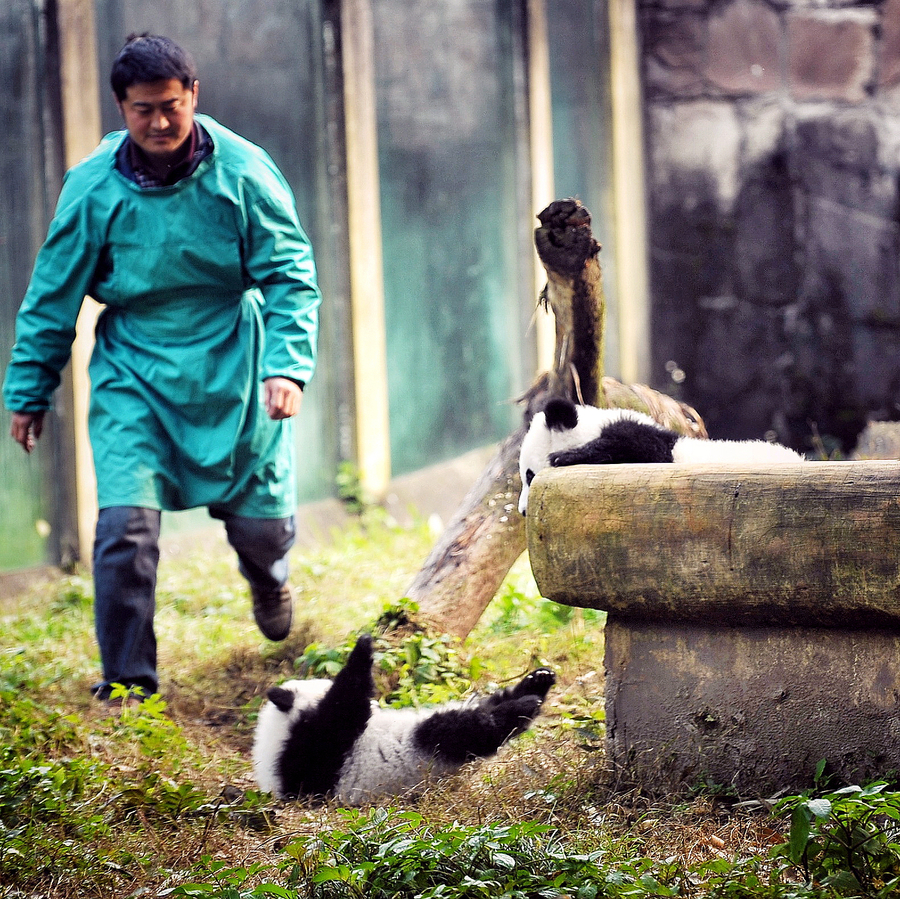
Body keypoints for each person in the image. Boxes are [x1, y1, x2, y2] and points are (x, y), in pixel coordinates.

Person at [2, 34, 322, 702]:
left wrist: (286, 366)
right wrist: (29, 391)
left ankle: (268, 578)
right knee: (125, 531)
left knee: (260, 530)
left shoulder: (243, 171)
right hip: (133, 373)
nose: (159, 122)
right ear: (122, 106)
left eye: (171, 106)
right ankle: (128, 686)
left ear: (193, 96)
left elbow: (291, 274)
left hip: (233, 364)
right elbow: (52, 295)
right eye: (143, 109)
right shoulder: (92, 188)